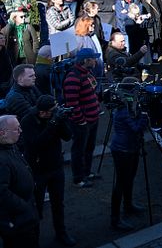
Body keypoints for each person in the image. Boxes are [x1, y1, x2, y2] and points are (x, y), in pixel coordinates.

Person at [19, 95, 76, 246]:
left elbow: (68, 136)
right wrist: (53, 123)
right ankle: (34, 239)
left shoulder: (54, 118)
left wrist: (62, 120)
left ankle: (61, 233)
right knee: (36, 206)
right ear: (43, 112)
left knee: (59, 203)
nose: (56, 111)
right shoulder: (28, 121)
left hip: (56, 167)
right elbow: (36, 145)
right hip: (37, 171)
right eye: (53, 110)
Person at [109, 80, 148, 231]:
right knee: (120, 183)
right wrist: (144, 114)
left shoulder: (127, 106)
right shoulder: (124, 111)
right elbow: (137, 128)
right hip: (123, 150)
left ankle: (128, 204)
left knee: (130, 178)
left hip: (130, 148)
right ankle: (115, 218)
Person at [62, 48, 101, 188]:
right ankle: (78, 178)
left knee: (89, 148)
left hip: (92, 119)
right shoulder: (73, 77)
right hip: (82, 122)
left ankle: (87, 172)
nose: (95, 60)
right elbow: (72, 103)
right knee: (79, 150)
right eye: (93, 58)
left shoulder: (87, 73)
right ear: (86, 60)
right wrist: (81, 120)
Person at [0, 115, 40, 248]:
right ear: (2, 133)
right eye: (16, 129)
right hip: (18, 222)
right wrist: (24, 207)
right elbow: (1, 192)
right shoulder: (1, 160)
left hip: (25, 215)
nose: (20, 131)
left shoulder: (9, 145)